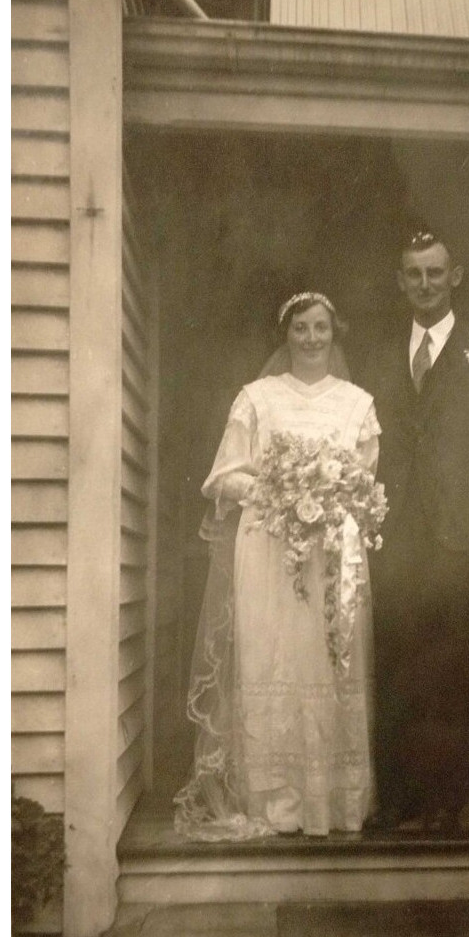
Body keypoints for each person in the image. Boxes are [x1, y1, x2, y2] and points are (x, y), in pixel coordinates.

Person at [174, 292, 381, 840]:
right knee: (270, 659)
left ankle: (333, 804)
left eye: (320, 329)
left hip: (332, 552)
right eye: (300, 329)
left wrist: (326, 489)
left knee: (326, 663)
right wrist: (282, 487)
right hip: (267, 545)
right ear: (285, 334)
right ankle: (276, 803)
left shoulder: (358, 403)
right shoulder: (256, 399)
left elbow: (364, 482)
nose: (311, 339)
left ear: (334, 334)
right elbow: (223, 477)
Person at [360, 230, 469, 833]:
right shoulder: (381, 357)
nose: (424, 283)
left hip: (461, 536)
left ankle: (447, 802)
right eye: (413, 274)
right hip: (395, 535)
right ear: (401, 281)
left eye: (435, 272)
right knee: (397, 664)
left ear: (456, 277)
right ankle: (400, 798)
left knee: (452, 669)